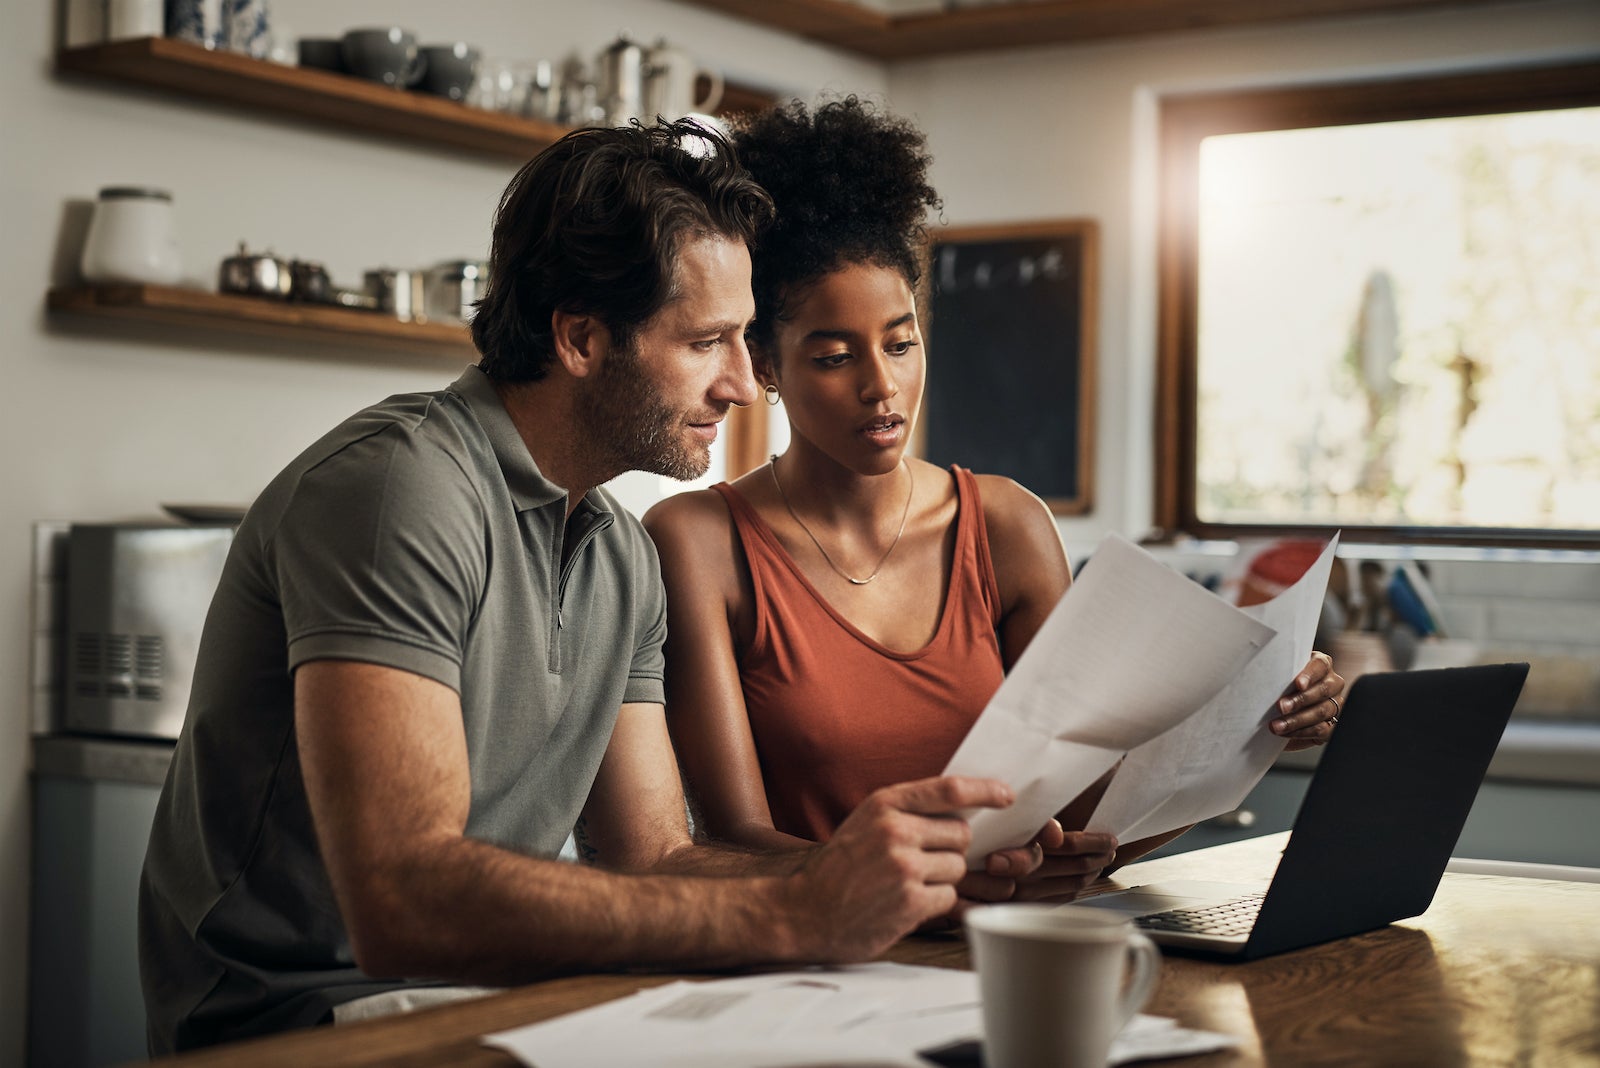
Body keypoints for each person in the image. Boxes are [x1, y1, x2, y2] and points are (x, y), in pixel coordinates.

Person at [138, 119, 1038, 1055]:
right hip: (299, 1021)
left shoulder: (617, 550)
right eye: (707, 342)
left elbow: (658, 858)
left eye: (745, 342)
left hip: (488, 1001)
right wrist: (790, 916)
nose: (742, 383)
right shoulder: (399, 490)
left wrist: (876, 880)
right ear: (579, 337)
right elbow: (402, 900)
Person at [643, 98, 1344, 909]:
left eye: (902, 344)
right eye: (834, 356)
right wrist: (942, 885)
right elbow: (733, 842)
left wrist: (1255, 729)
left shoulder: (1006, 526)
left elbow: (1087, 820)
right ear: (763, 362)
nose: (883, 387)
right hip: (819, 966)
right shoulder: (699, 542)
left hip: (1010, 953)